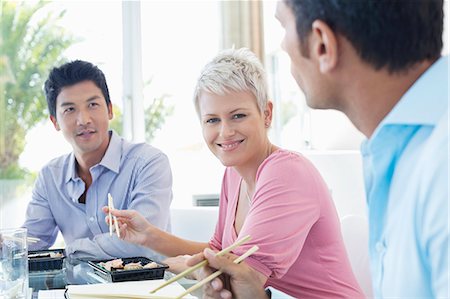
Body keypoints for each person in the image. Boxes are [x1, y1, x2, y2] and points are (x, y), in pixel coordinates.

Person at [190, 0, 449, 298]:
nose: (283, 46)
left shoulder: (440, 164)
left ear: (322, 44)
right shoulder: (401, 152)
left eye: (283, 26)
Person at [105, 48, 364, 298]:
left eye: (238, 116)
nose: (225, 132)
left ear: (266, 114)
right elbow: (219, 252)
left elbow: (241, 279)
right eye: (212, 120)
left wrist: (182, 266)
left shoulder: (286, 173)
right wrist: (149, 236)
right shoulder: (234, 175)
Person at [22, 60, 173, 260]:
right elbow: (32, 242)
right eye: (69, 109)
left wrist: (68, 253)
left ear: (110, 110)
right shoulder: (50, 176)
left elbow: (140, 243)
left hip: (144, 288)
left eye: (92, 105)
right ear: (55, 122)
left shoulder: (149, 163)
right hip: (77, 290)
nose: (84, 120)